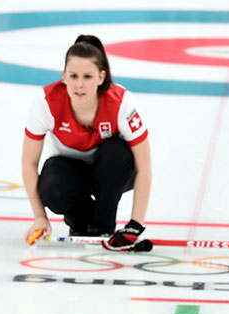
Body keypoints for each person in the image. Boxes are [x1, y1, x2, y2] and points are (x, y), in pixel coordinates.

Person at [22, 35, 152, 248]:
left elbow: (145, 168)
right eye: (73, 76)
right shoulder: (46, 103)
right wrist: (39, 217)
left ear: (101, 77)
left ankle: (103, 224)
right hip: (71, 176)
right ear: (64, 77)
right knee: (52, 181)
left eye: (88, 77)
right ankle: (81, 222)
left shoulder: (121, 103)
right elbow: (29, 164)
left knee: (115, 153)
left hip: (115, 174)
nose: (79, 85)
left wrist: (135, 225)